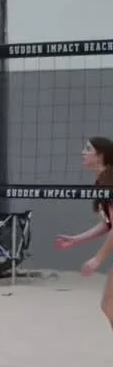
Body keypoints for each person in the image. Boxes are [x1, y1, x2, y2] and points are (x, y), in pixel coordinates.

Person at [55, 136, 113, 328]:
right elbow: (108, 224)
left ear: (100, 156)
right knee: (108, 306)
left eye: (88, 149)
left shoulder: (109, 181)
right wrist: (76, 240)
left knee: (109, 305)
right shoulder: (103, 180)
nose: (83, 152)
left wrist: (97, 259)